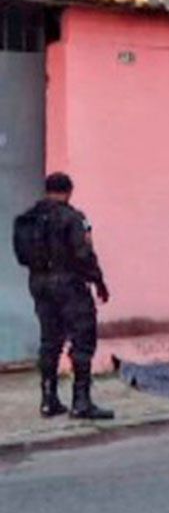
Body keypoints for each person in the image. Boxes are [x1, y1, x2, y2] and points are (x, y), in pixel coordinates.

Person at [10, 172, 114, 420]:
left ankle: (48, 400)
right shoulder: (72, 218)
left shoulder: (29, 218)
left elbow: (21, 256)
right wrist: (98, 281)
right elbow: (83, 254)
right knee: (82, 339)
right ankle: (81, 401)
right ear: (68, 191)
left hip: (38, 283)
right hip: (69, 284)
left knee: (50, 340)